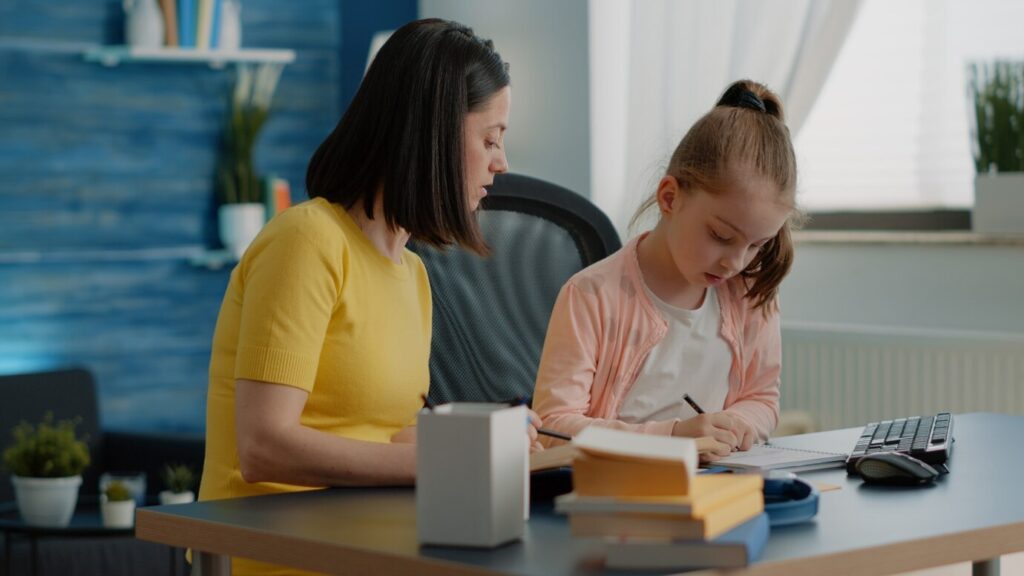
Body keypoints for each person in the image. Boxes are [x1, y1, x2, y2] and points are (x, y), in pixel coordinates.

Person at [197, 18, 540, 575]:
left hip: (369, 545)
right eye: (490, 138)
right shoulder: (307, 241)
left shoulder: (413, 275)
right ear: (432, 131)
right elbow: (263, 446)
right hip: (275, 555)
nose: (501, 161)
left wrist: (483, 444)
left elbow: (381, 430)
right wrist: (434, 463)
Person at [532, 79, 800, 461]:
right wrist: (671, 437)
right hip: (616, 492)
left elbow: (760, 398)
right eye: (721, 236)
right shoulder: (590, 296)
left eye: (757, 245)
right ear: (670, 198)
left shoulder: (752, 295)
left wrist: (737, 424)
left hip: (716, 489)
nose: (736, 263)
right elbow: (553, 426)